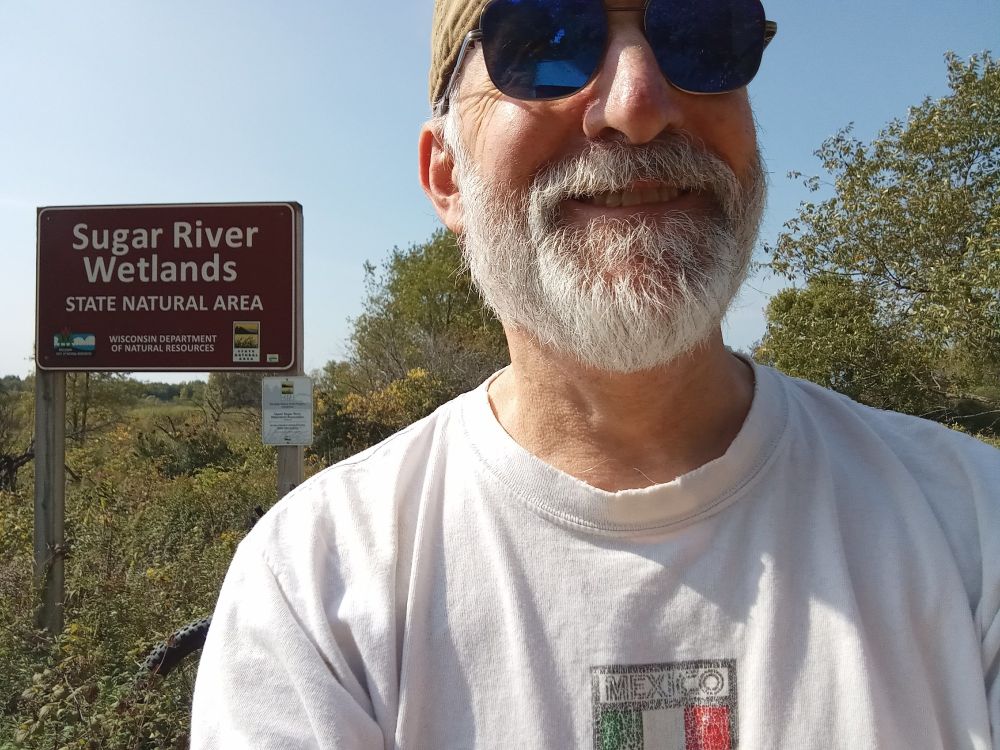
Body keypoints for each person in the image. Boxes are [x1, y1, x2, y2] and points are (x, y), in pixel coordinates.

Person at [191, 0, 1000, 746]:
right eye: (546, 43)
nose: (639, 104)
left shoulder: (972, 525)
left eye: (703, 35)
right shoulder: (315, 584)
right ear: (446, 177)